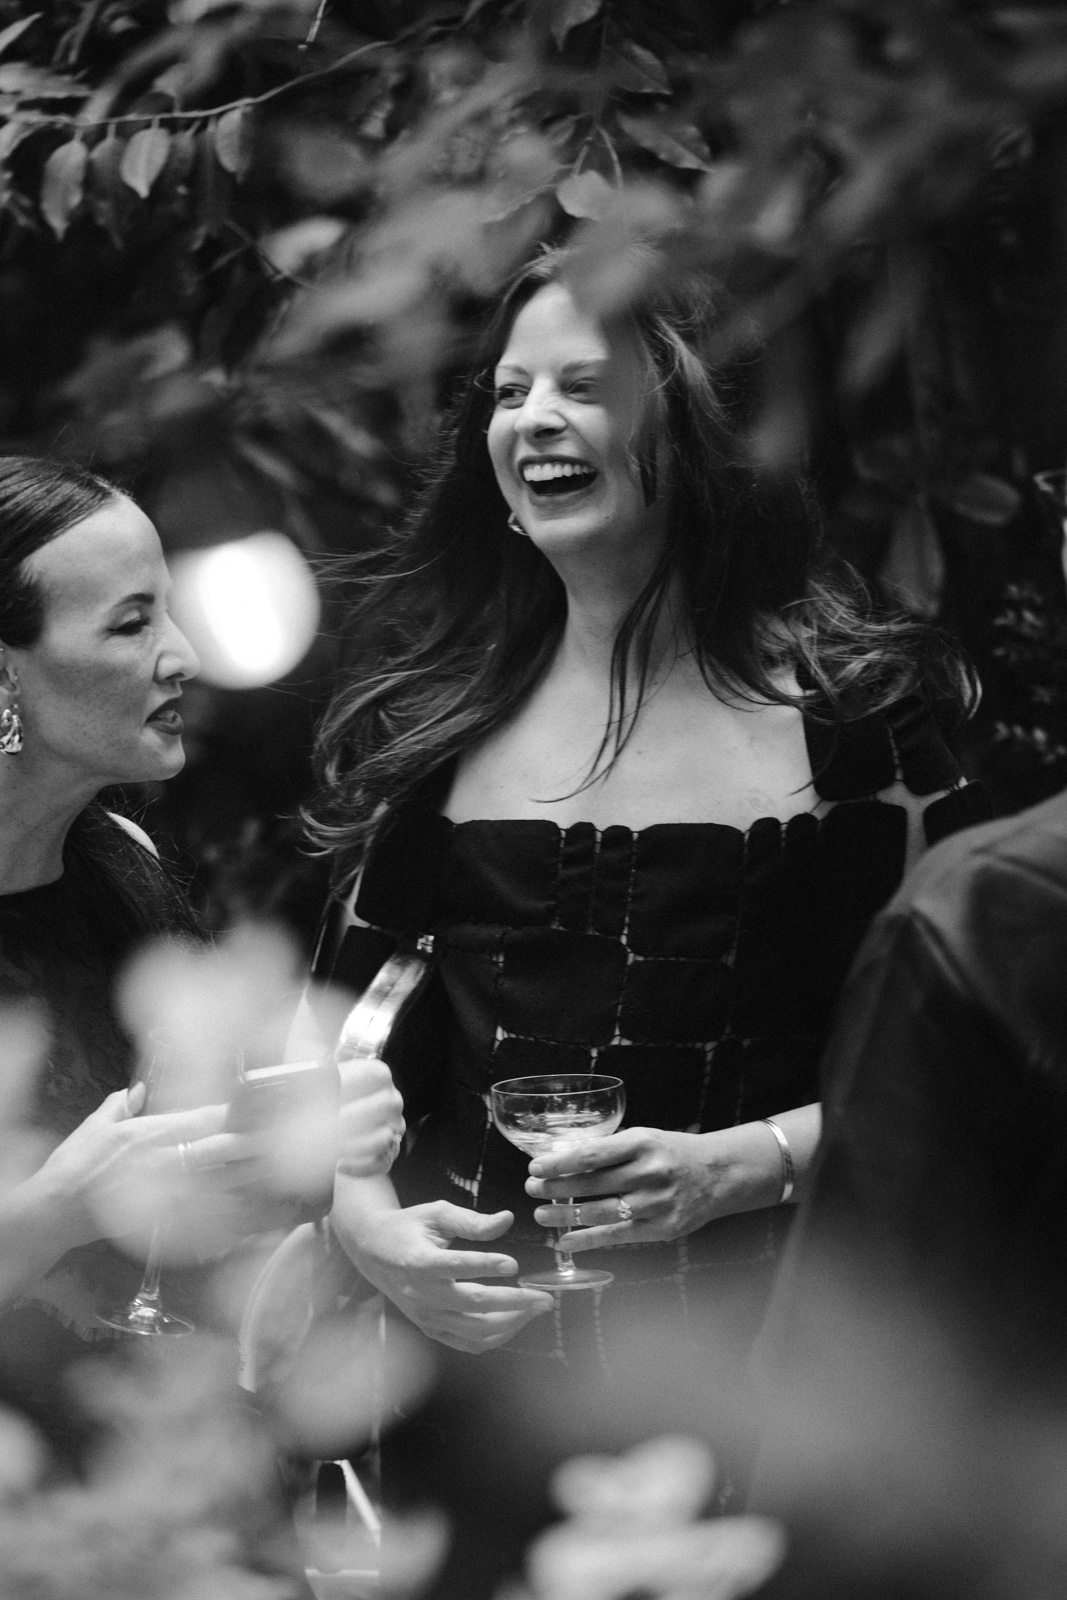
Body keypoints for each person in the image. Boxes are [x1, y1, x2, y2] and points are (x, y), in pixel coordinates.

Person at [306, 248, 989, 1587]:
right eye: (507, 392)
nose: (531, 419)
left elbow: (977, 1070)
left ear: (697, 427)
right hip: (484, 1388)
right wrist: (363, 1228)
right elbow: (335, 1047)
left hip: (786, 1384)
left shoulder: (858, 730)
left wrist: (749, 1161)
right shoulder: (430, 730)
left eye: (581, 386)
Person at [0, 455, 403, 1465]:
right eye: (131, 623)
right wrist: (52, 1213)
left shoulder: (123, 861)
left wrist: (306, 1153)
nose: (183, 655)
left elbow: (179, 1196)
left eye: (169, 610)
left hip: (159, 1450)